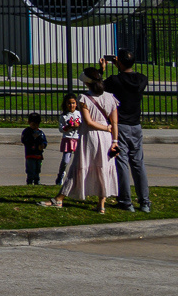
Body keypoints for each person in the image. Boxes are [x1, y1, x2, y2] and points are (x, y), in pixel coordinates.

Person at [42, 68, 118, 213]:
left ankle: (60, 198)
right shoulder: (110, 98)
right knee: (104, 167)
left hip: (90, 136)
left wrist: (104, 128)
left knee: (78, 166)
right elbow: (114, 123)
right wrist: (114, 140)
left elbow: (88, 122)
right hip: (107, 138)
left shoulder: (84, 98)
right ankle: (101, 204)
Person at [105, 52, 151, 212]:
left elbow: (99, 86)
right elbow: (135, 78)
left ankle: (126, 200)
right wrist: (121, 65)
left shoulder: (115, 80)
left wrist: (105, 69)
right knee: (138, 163)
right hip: (136, 125)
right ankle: (144, 201)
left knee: (122, 162)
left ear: (119, 62)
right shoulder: (142, 79)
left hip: (120, 125)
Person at [54, 94, 82, 187]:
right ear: (66, 104)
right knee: (66, 160)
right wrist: (68, 126)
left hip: (78, 139)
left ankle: (77, 179)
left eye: (73, 103)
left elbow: (84, 125)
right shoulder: (64, 116)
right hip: (68, 139)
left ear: (76, 104)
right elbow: (61, 129)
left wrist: (78, 125)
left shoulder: (79, 114)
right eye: (69, 103)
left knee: (78, 161)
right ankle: (61, 175)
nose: (71, 105)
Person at [21, 113, 47, 185]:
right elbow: (24, 140)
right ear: (29, 123)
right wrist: (32, 138)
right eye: (33, 124)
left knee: (37, 168)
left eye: (37, 124)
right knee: (30, 169)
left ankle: (37, 180)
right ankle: (29, 181)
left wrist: (43, 145)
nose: (35, 126)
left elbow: (44, 141)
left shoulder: (40, 133)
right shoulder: (27, 132)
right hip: (30, 154)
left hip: (38, 155)